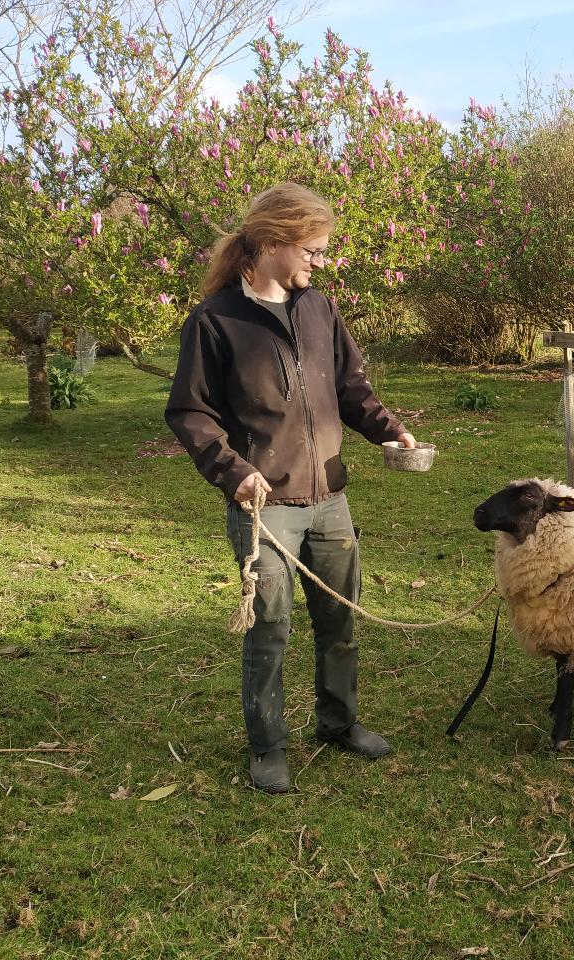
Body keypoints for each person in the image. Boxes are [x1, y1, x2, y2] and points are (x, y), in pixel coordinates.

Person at [166, 182, 416, 793]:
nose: (317, 262)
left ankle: (339, 723)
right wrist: (233, 472)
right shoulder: (215, 321)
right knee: (270, 628)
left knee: (338, 621)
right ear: (274, 242)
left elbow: (351, 390)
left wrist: (391, 432)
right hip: (266, 507)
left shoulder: (320, 310)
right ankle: (268, 747)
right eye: (312, 249)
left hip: (330, 496)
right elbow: (190, 414)